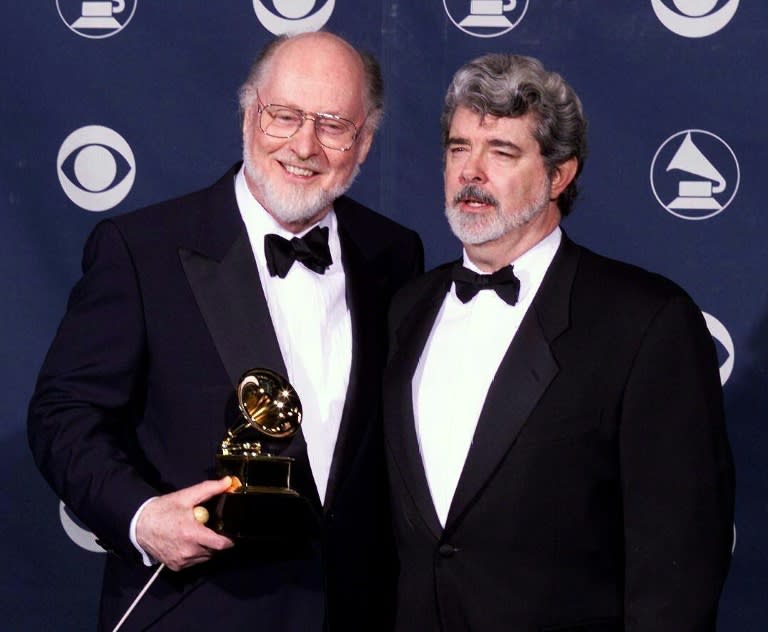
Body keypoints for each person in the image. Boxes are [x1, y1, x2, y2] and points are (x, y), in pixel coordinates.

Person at [28, 31, 423, 631]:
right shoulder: (142, 250)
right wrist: (140, 516)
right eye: (283, 116)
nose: (304, 144)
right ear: (247, 115)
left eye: (333, 124)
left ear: (365, 141)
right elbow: (64, 413)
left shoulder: (394, 253)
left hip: (357, 611)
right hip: (199, 608)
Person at [383, 53, 734, 631]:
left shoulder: (646, 322)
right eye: (458, 148)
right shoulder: (407, 308)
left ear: (559, 175)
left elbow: (679, 566)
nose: (471, 171)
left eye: (501, 151)